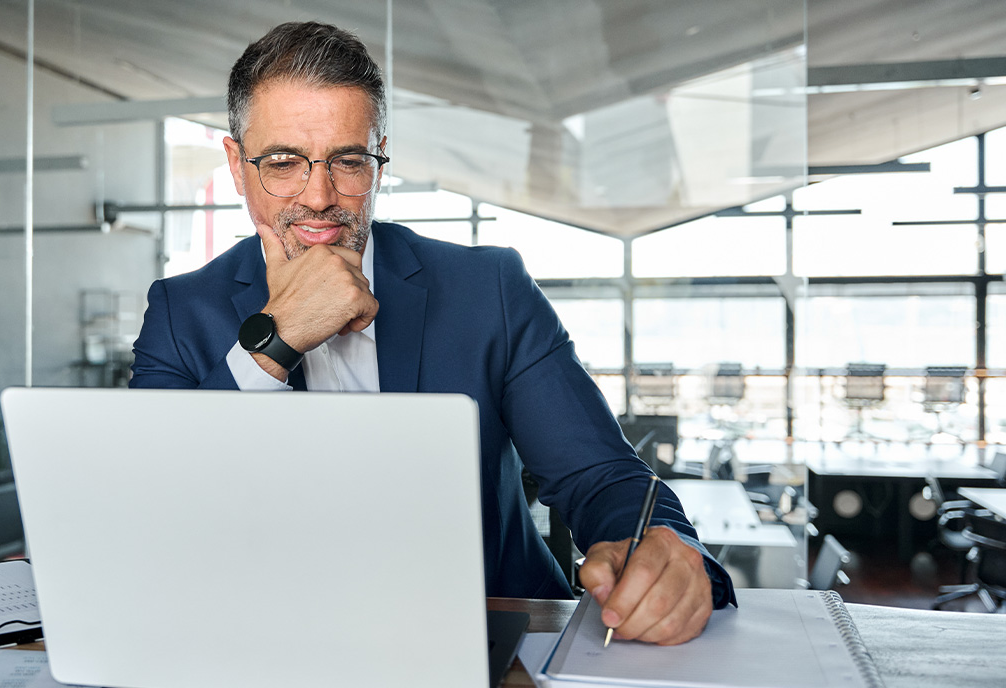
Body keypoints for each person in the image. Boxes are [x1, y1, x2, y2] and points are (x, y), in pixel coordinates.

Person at [131, 20, 736, 645]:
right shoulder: (182, 310)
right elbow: (152, 506)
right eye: (283, 163)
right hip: (268, 641)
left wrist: (664, 549)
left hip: (494, 636)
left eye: (348, 160)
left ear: (379, 158)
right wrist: (277, 340)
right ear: (237, 164)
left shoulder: (488, 288)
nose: (318, 195)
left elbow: (601, 477)